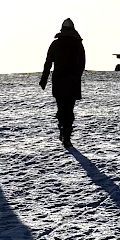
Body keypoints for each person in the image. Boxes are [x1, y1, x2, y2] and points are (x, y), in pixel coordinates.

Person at [39, 18, 86, 148]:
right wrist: (77, 76)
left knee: (61, 108)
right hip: (72, 81)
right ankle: (67, 135)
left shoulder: (56, 44)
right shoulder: (78, 44)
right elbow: (82, 64)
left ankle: (62, 129)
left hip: (59, 80)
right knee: (69, 109)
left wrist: (44, 79)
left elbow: (48, 62)